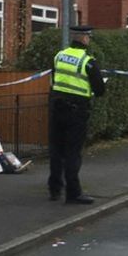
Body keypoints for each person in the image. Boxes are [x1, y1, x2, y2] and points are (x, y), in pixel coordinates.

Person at [48, 26, 106, 205]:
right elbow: (100, 90)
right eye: (88, 37)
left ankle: (55, 189)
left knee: (56, 150)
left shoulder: (59, 56)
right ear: (85, 38)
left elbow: (54, 78)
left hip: (56, 107)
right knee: (73, 153)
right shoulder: (88, 62)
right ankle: (73, 193)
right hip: (77, 111)